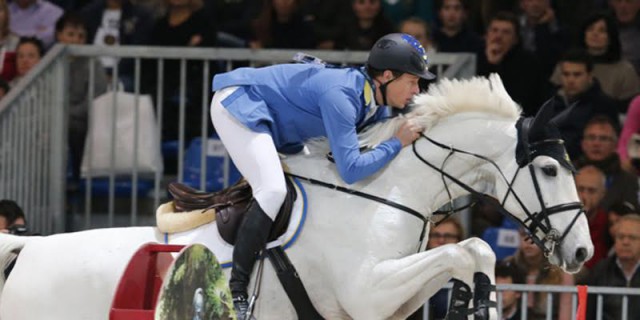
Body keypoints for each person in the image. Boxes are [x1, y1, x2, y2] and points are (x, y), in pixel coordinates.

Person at [210, 33, 432, 318]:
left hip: (279, 123)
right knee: (273, 190)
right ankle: (237, 289)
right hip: (240, 104)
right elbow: (351, 170)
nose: (416, 90)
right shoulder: (342, 96)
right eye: (413, 81)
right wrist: (396, 142)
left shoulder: (374, 104)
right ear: (387, 76)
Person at [54, 13, 108, 185]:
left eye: (81, 36)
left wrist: (65, 115)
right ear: (59, 35)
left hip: (81, 123)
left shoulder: (93, 63)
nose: (76, 40)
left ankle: (73, 183)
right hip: (51, 121)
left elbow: (96, 99)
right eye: (70, 34)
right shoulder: (49, 63)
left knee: (73, 132)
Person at [548, 48, 620, 160]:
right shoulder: (549, 102)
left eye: (577, 75)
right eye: (566, 74)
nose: (571, 80)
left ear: (590, 76)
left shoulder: (604, 105)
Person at [476, 11, 546, 116]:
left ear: (515, 39)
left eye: (506, 32)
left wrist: (495, 66)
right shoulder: (476, 56)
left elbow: (518, 101)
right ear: (486, 35)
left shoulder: (528, 62)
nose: (498, 36)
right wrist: (490, 64)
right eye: (494, 30)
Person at [503, 228, 574, 320]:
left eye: (536, 237)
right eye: (524, 235)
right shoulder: (508, 266)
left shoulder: (561, 273)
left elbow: (566, 314)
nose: (529, 241)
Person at [576, 115, 639, 211]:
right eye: (591, 137)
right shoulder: (567, 174)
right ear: (583, 143)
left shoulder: (630, 181)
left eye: (603, 138)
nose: (596, 144)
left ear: (615, 145)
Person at [586, 214, 640, 320]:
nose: (625, 242)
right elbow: (589, 312)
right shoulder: (600, 271)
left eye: (632, 237)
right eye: (620, 237)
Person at [575, 165, 610, 271]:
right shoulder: (558, 221)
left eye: (591, 191)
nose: (584, 196)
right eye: (580, 189)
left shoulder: (608, 224)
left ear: (602, 194)